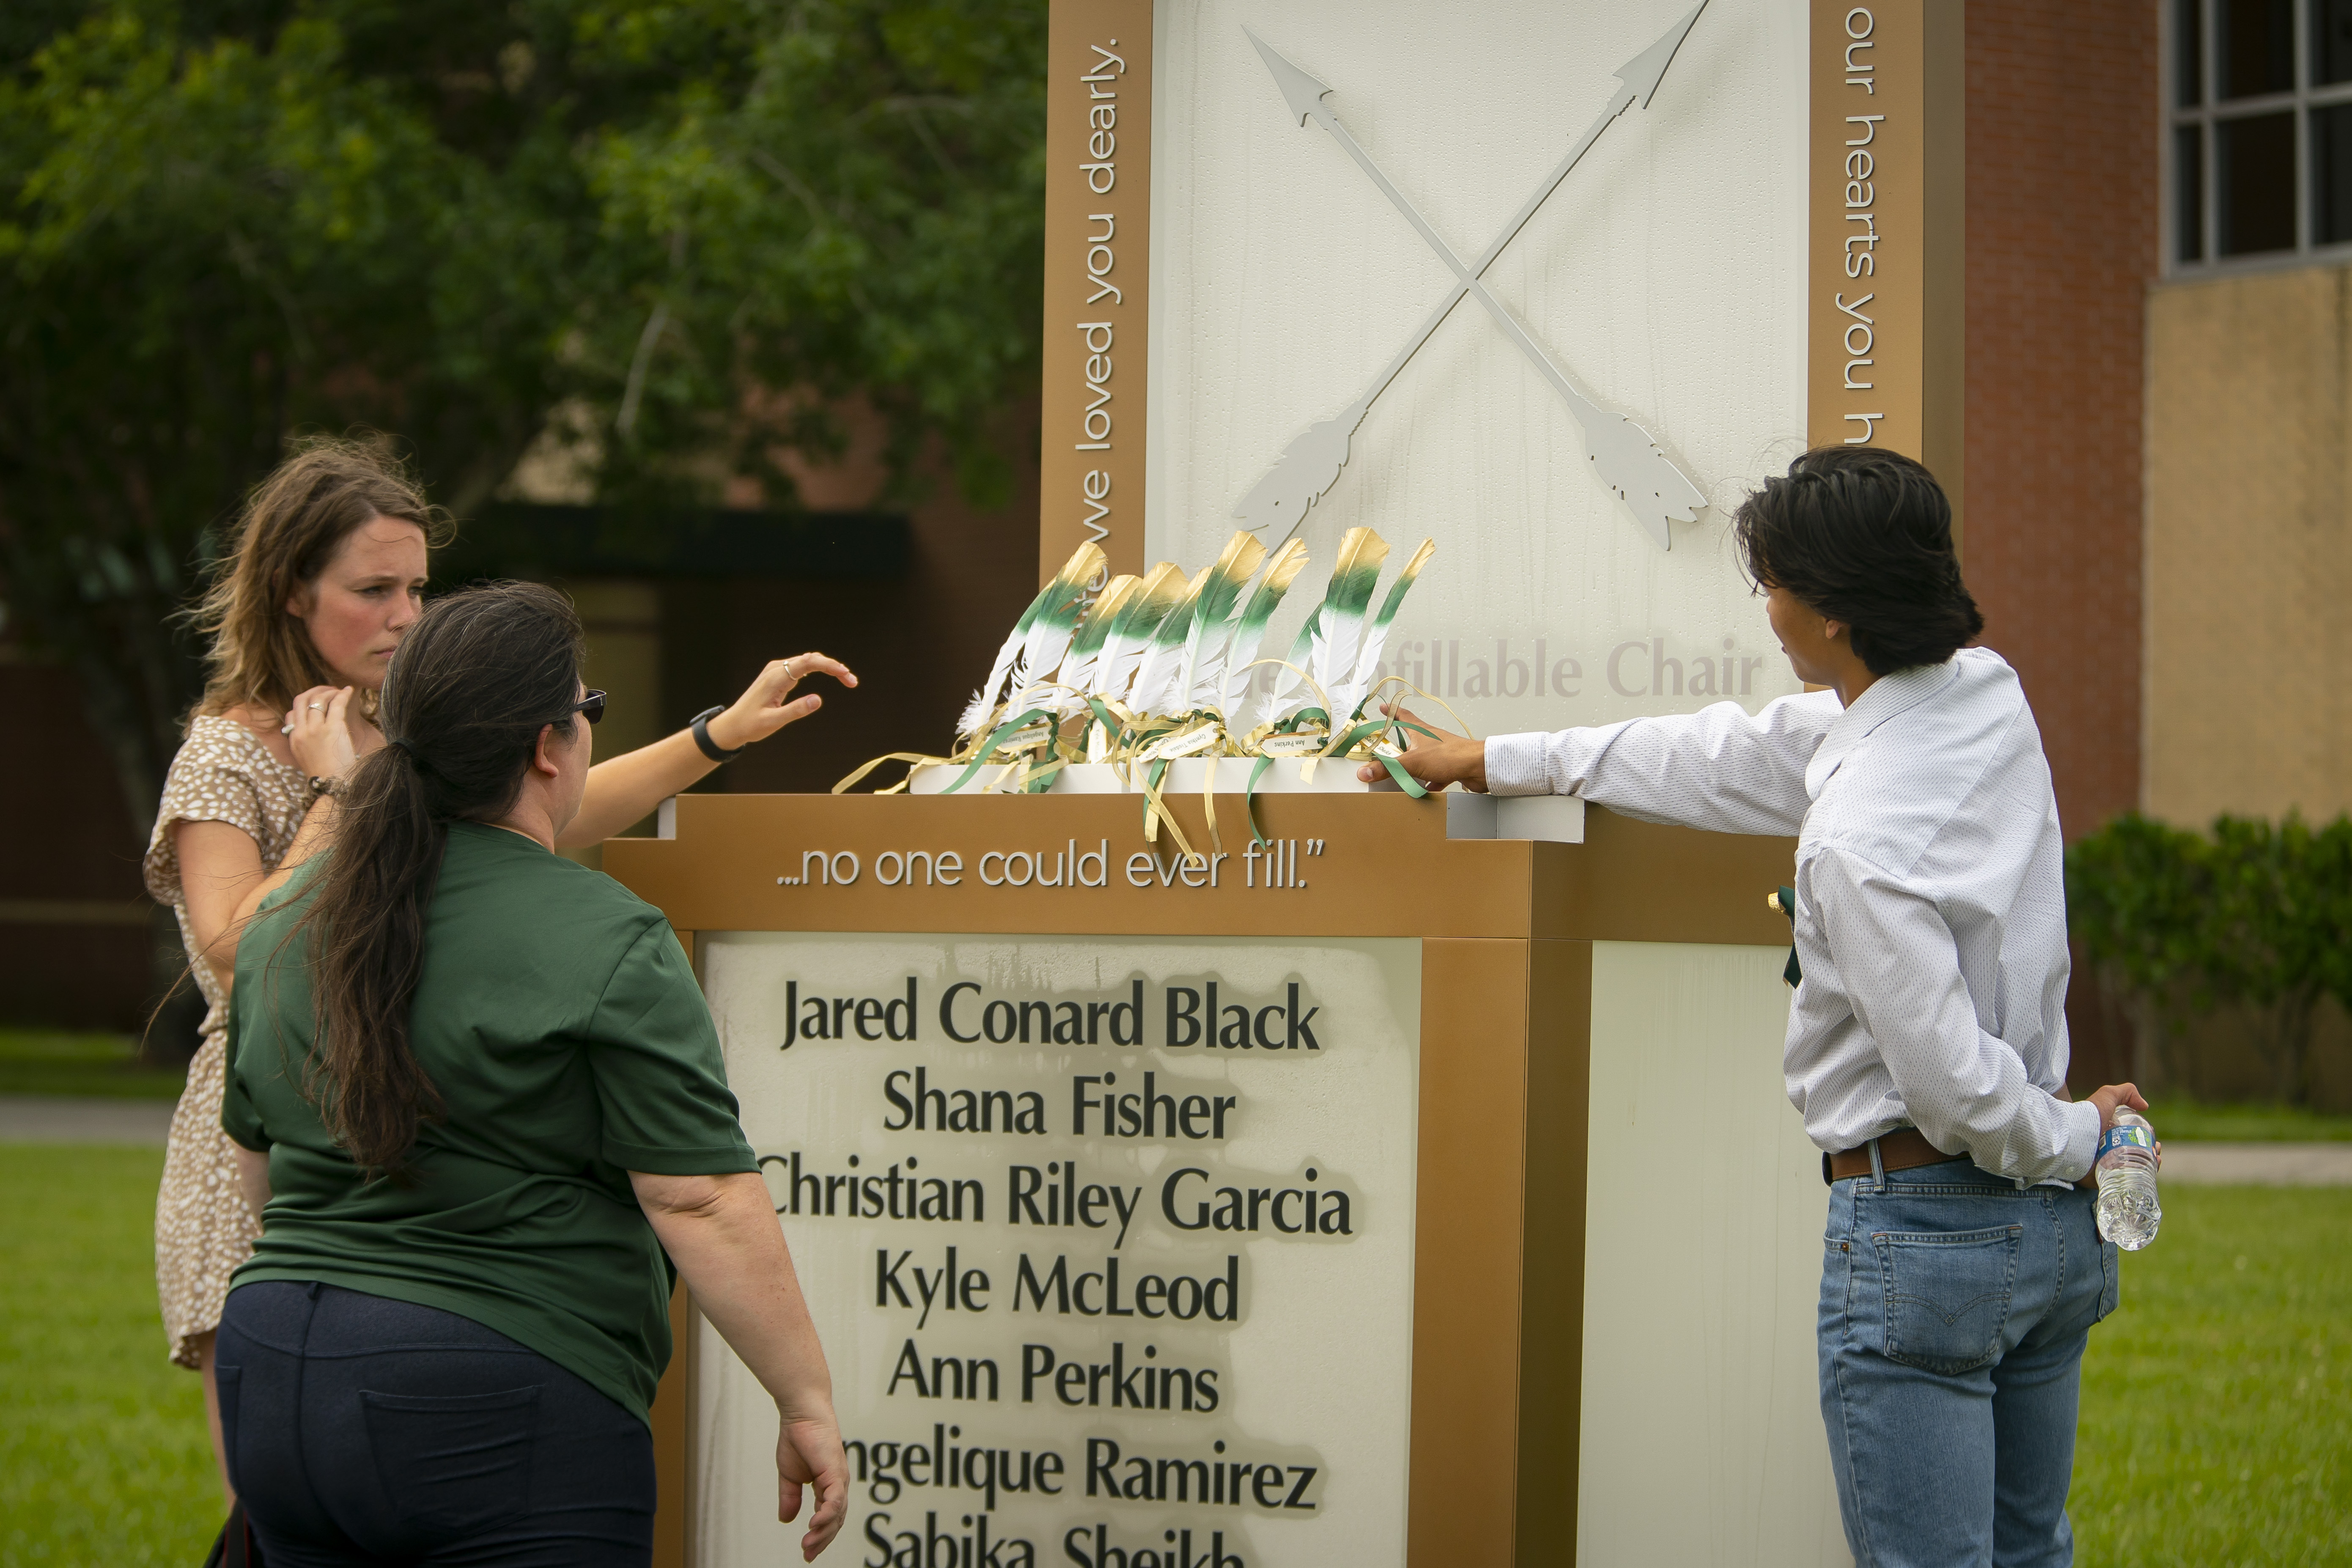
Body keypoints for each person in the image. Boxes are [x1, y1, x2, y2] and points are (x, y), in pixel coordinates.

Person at [1370, 445, 2146, 1568]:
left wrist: (2079, 1138)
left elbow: (1950, 1084)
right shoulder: (1984, 693)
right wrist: (1497, 757)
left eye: (1771, 584)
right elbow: (1732, 749)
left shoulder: (1853, 844)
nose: (1766, 609)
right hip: (2049, 1250)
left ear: (1828, 614)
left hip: (1927, 1239)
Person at [145, 435, 852, 1500]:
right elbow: (245, 946)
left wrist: (716, 738)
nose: (403, 617)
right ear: (293, 594)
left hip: (418, 1113)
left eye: (418, 589)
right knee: (271, 1507)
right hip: (283, 1121)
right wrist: (344, 793)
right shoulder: (230, 751)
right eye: (373, 589)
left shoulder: (410, 729)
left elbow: (553, 802)